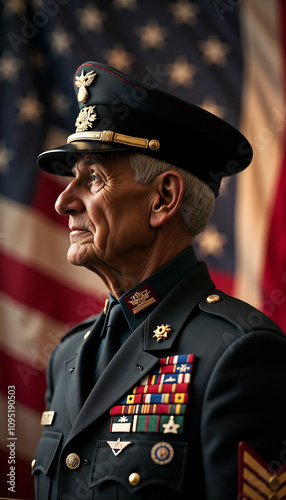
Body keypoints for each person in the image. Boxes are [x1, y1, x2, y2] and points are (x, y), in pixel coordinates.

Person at [33, 61, 286, 500]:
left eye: (93, 178)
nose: (63, 201)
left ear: (163, 199)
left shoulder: (240, 353)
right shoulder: (67, 355)